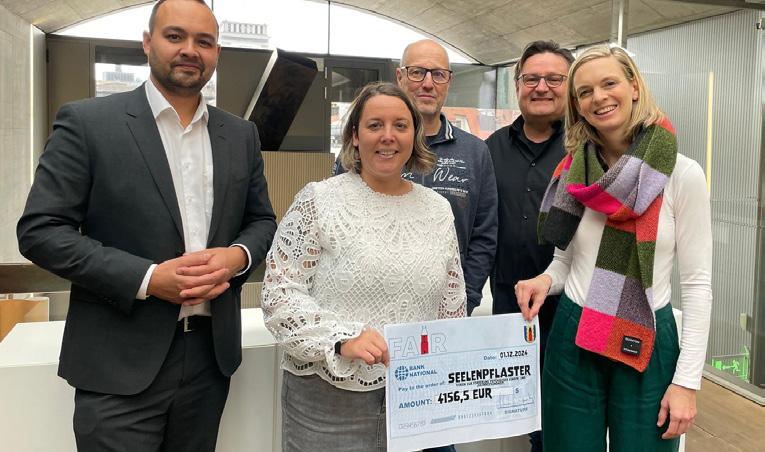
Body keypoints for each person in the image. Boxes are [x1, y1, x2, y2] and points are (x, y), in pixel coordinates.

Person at [16, 1, 277, 450]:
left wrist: (237, 257)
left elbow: (262, 221)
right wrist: (149, 278)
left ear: (217, 53)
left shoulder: (240, 135)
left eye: (204, 41)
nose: (190, 49)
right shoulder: (88, 123)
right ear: (147, 43)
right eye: (175, 36)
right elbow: (40, 230)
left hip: (209, 361)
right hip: (116, 363)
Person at [515, 45, 712, 452]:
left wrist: (686, 382)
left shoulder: (681, 174)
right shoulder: (574, 171)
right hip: (573, 336)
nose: (599, 97)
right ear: (577, 106)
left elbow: (697, 284)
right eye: (585, 92)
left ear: (634, 87)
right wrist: (545, 280)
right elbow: (566, 260)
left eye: (609, 83)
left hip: (647, 335)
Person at [262, 81, 466, 452]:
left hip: (413, 401)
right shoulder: (319, 200)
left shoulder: (438, 210)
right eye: (375, 125)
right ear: (355, 136)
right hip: (329, 404)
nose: (388, 136)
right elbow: (279, 293)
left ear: (414, 136)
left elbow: (450, 307)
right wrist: (342, 339)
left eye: (400, 126)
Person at [336, 39, 497, 323]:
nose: (428, 83)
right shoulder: (367, 152)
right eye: (417, 72)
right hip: (365, 312)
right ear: (399, 76)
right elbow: (337, 225)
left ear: (448, 81)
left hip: (444, 314)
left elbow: (484, 235)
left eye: (438, 74)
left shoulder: (475, 152)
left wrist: (466, 299)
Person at [485, 40, 573, 452]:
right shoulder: (490, 149)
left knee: (563, 408)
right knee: (518, 403)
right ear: (517, 85)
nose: (541, 87)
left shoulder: (585, 149)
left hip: (571, 301)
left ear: (569, 86)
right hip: (509, 299)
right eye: (532, 78)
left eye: (554, 79)